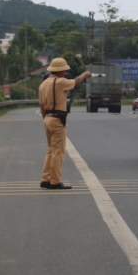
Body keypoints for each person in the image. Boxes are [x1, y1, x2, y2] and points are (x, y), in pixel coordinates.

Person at [39, 58, 91, 190]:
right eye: (64, 70)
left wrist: (45, 119)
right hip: (58, 119)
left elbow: (41, 105)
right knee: (58, 152)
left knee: (51, 150)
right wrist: (85, 74)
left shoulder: (43, 84)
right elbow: (76, 81)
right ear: (60, 70)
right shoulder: (61, 82)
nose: (65, 72)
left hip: (47, 118)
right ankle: (55, 181)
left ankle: (46, 178)